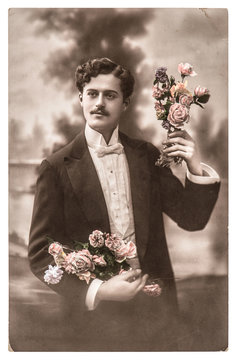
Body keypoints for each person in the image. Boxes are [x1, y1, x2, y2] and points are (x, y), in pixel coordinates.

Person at [28, 57, 220, 351]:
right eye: (92, 94)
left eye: (110, 95)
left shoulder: (145, 155)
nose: (99, 103)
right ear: (81, 98)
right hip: (92, 322)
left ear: (125, 103)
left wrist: (194, 164)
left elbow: (192, 219)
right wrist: (100, 290)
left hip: (156, 315)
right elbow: (40, 254)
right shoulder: (55, 167)